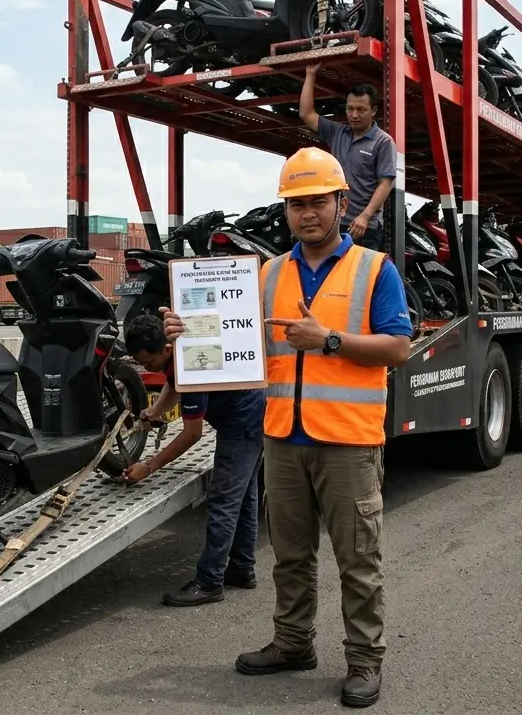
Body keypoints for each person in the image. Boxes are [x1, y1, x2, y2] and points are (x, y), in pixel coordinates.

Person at [161, 147, 411, 708]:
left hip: (348, 442)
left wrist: (328, 340)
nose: (307, 214)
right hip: (284, 438)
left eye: (318, 201)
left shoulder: (374, 270)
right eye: (297, 204)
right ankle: (294, 643)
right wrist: (188, 329)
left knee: (357, 560)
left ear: (341, 203)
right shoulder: (270, 274)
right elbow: (233, 338)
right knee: (290, 556)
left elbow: (398, 346)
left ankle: (365, 662)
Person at [121, 312, 266, 607]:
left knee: (224, 498)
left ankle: (209, 581)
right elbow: (174, 384)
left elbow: (192, 433)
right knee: (244, 494)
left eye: (149, 362)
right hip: (247, 408)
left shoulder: (191, 363)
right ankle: (241, 569)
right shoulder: (178, 351)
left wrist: (148, 468)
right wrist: (156, 410)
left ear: (167, 349)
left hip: (243, 416)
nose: (146, 367)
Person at [299, 64, 397, 253]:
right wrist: (310, 74)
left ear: (373, 110)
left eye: (360, 109)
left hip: (363, 227)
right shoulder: (337, 133)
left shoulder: (382, 141)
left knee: (360, 280)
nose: (354, 115)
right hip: (335, 223)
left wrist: (365, 216)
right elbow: (306, 114)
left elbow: (385, 183)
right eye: (350, 108)